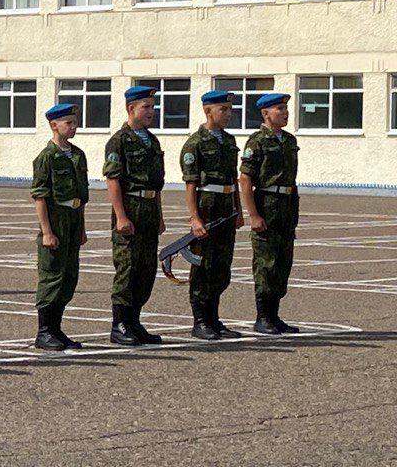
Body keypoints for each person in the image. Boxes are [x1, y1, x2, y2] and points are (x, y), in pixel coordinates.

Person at [104, 85, 167, 346]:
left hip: (149, 210)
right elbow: (113, 180)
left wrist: (160, 215)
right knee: (128, 268)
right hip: (130, 208)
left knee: (145, 269)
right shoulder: (119, 141)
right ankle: (119, 325)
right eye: (146, 107)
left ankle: (134, 321)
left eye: (153, 107)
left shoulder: (151, 140)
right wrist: (120, 216)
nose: (152, 111)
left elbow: (157, 183)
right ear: (131, 109)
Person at [180, 90, 245, 340]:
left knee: (221, 266)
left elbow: (233, 179)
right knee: (203, 265)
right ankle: (200, 321)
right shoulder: (195, 143)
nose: (228, 114)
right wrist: (194, 218)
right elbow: (190, 184)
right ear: (208, 111)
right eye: (223, 110)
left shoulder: (228, 141)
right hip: (207, 206)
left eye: (230, 110)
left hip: (226, 206)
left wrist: (238, 210)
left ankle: (214, 319)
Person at [240, 92, 300, 335]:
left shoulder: (287, 140)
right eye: (279, 109)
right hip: (267, 203)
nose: (285, 113)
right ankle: (263, 316)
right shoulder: (257, 142)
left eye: (285, 109)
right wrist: (253, 214)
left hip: (286, 206)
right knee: (266, 263)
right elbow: (245, 180)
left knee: (283, 262)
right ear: (266, 114)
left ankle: (274, 315)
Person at [31, 102, 88, 351]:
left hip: (73, 219)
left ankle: (56, 329)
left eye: (75, 122)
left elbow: (81, 195)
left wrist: (82, 227)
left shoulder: (77, 155)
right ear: (54, 126)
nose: (73, 127)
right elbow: (40, 196)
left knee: (68, 277)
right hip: (55, 220)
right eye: (68, 123)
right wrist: (47, 231)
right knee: (52, 277)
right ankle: (44, 332)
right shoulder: (46, 158)